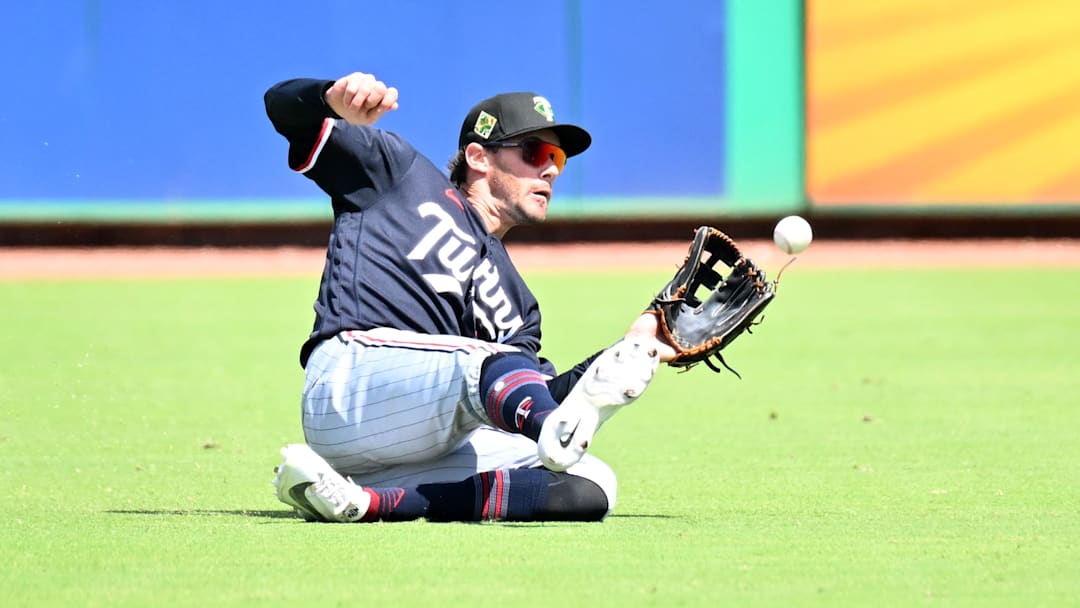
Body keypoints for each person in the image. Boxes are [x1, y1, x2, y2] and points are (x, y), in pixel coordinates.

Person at [265, 72, 675, 523]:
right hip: (349, 386)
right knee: (494, 368)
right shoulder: (399, 174)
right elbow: (283, 108)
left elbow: (533, 399)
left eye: (557, 157)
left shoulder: (520, 305)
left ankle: (368, 502)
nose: (552, 169)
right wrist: (328, 96)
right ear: (478, 157)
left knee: (593, 483)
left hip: (424, 439)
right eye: (535, 152)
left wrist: (637, 348)